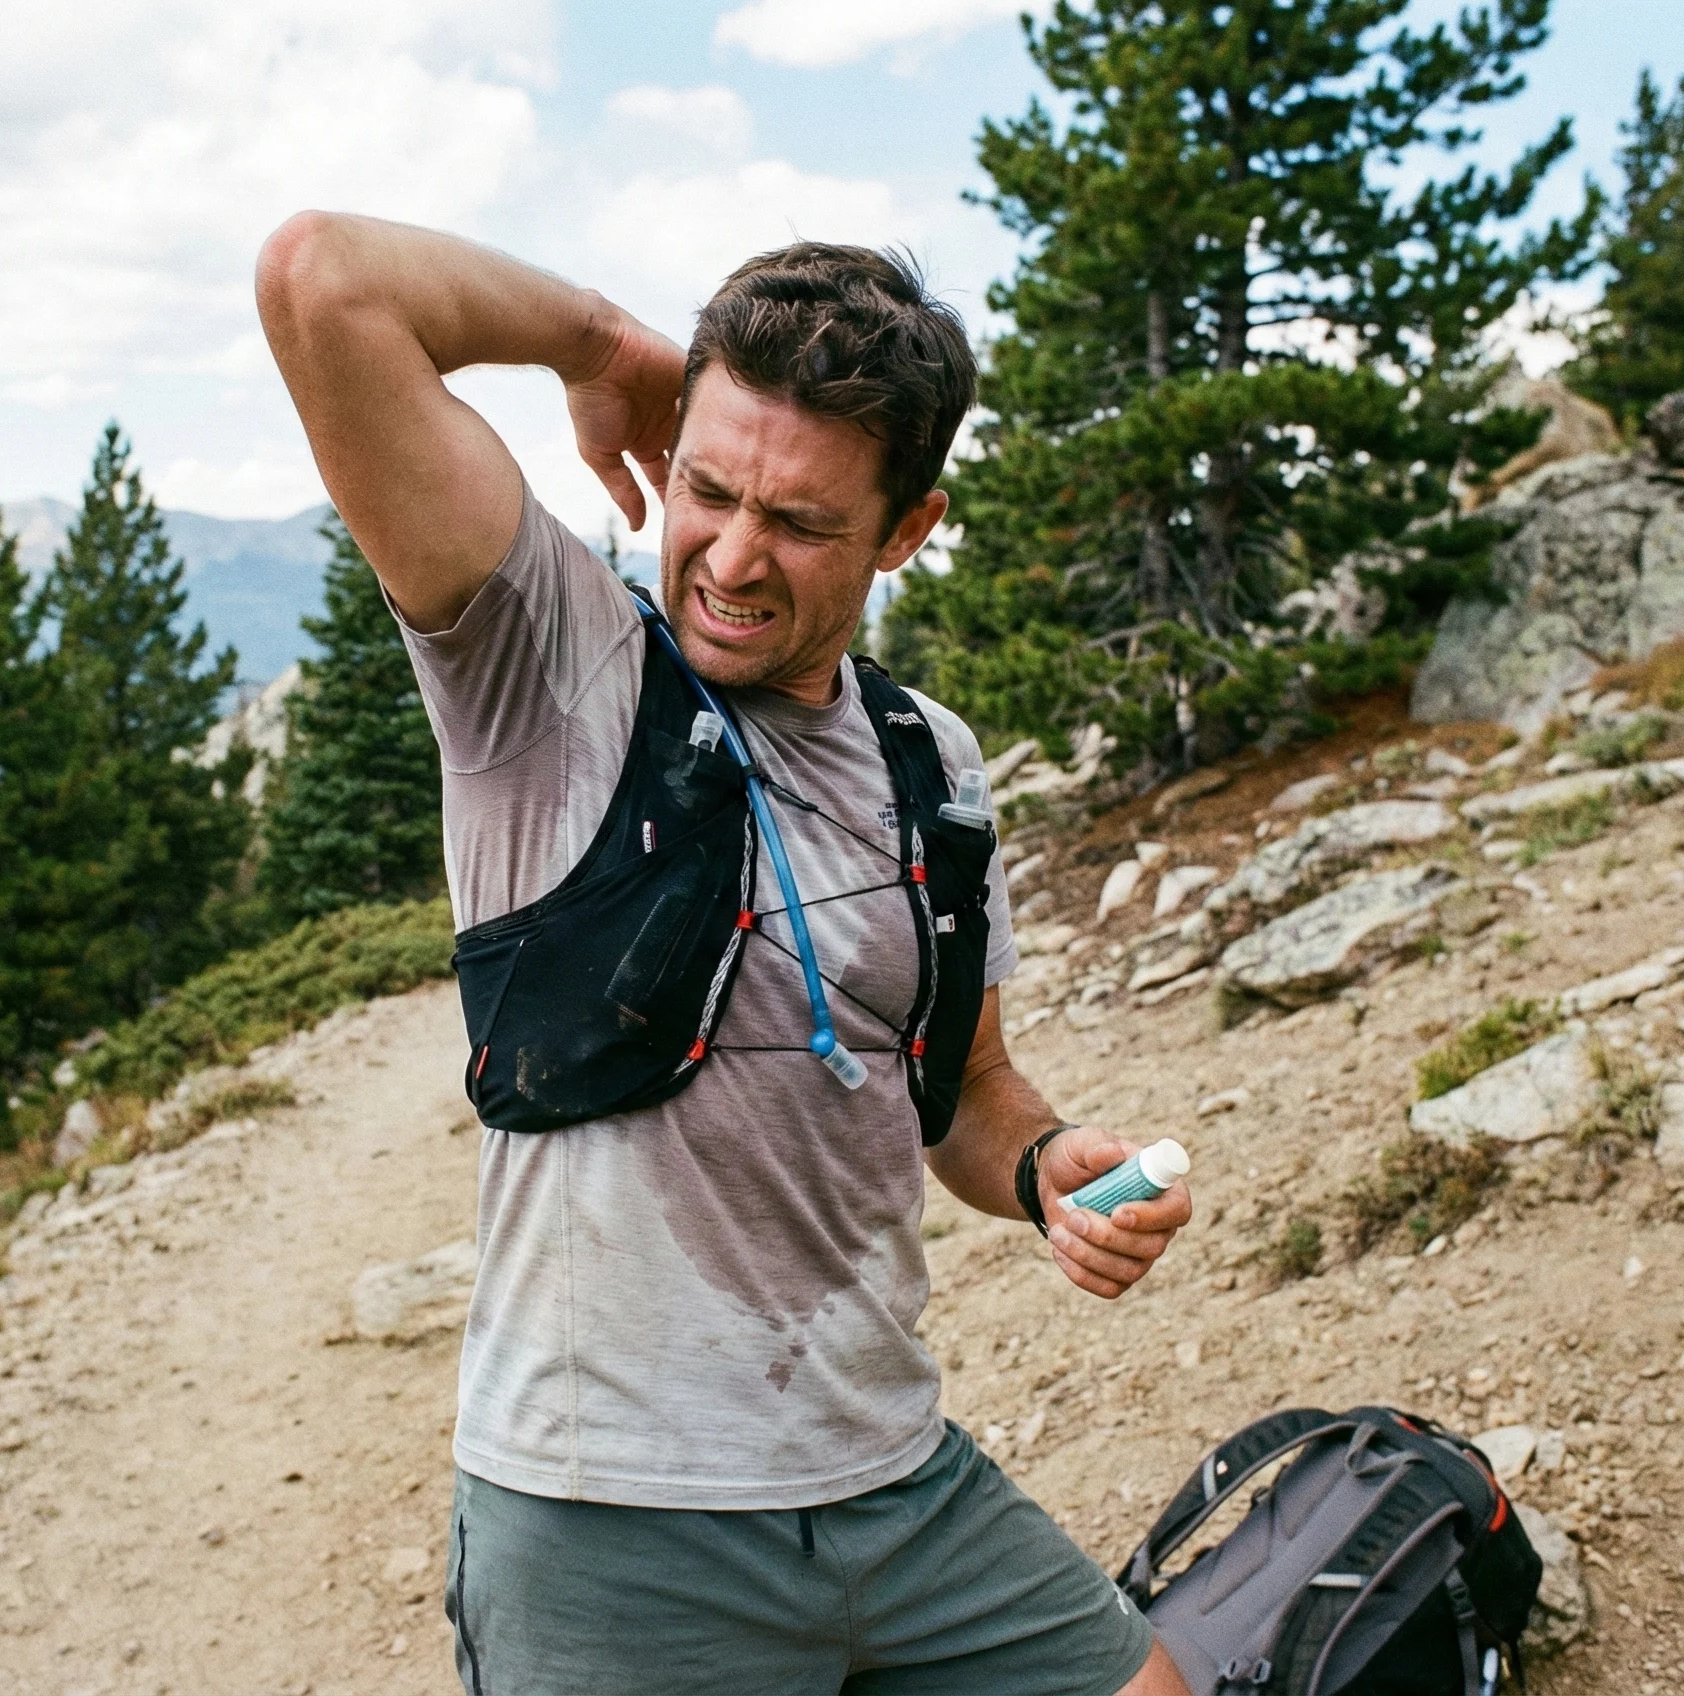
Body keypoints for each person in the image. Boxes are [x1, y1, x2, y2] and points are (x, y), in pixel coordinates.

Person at [254, 212, 1197, 1696]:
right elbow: (323, 279)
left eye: (802, 522)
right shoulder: (548, 667)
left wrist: (1045, 1166)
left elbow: (961, 1088)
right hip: (614, 1526)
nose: (732, 559)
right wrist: (611, 350)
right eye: (706, 489)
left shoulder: (931, 762)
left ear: (906, 531)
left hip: (896, 1485)